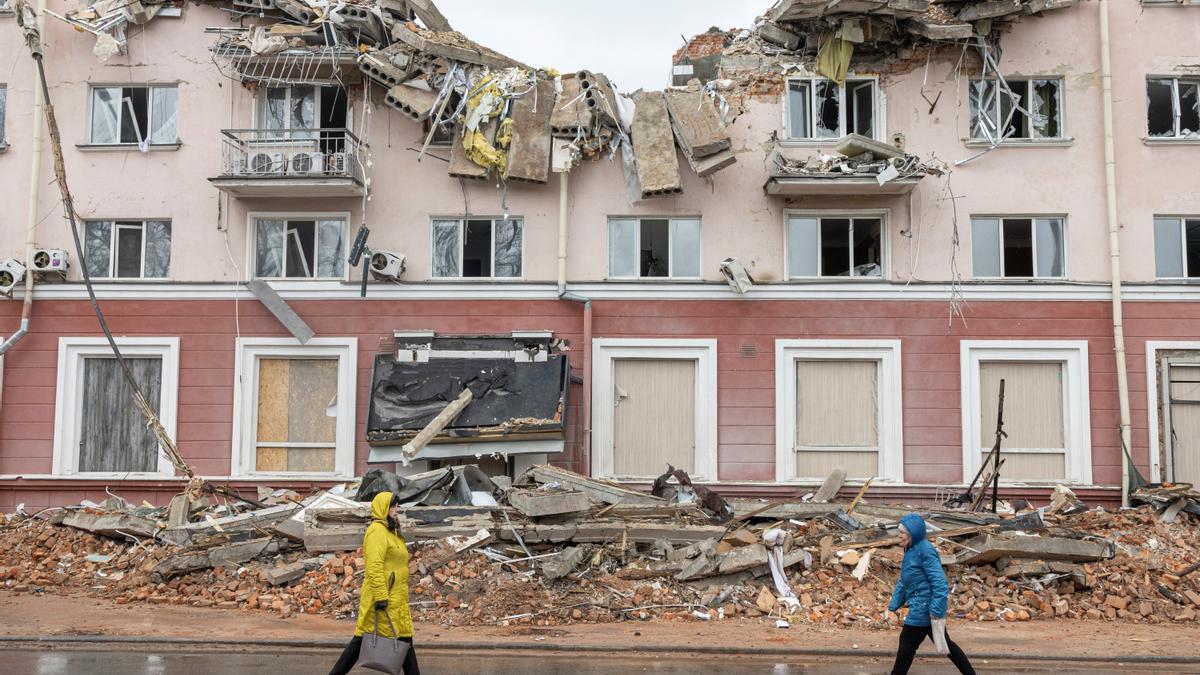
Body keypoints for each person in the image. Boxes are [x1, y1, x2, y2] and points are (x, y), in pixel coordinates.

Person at [329, 491, 420, 675]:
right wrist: (381, 596)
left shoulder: (391, 531)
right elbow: (374, 566)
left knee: (403, 640)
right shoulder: (377, 531)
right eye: (393, 506)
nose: (396, 509)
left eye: (397, 506)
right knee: (363, 639)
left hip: (397, 598)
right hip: (384, 598)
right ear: (383, 508)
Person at [886, 513, 975, 675]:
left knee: (907, 643)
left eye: (902, 532)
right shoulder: (910, 549)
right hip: (924, 607)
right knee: (947, 646)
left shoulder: (925, 551)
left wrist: (935, 610)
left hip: (924, 608)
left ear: (914, 533)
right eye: (899, 531)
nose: (899, 535)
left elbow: (940, 584)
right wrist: (893, 605)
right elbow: (904, 580)